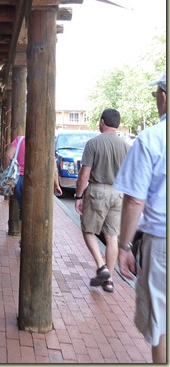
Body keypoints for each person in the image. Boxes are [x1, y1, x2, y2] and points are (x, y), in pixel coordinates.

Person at [113, 74, 166, 363]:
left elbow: (134, 200)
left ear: (164, 97)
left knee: (162, 324)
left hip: (161, 244)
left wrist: (124, 247)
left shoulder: (152, 139)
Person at [74, 108, 130, 293]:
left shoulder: (93, 143)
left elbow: (84, 174)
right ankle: (109, 280)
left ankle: (101, 266)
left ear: (102, 122)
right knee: (112, 236)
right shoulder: (126, 146)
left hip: (98, 191)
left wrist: (79, 196)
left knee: (87, 230)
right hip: (119, 193)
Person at [4, 136, 62, 221]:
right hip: (38, 182)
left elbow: (8, 156)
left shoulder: (19, 140)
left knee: (24, 208)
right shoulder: (45, 144)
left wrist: (9, 173)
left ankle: (22, 222)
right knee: (33, 211)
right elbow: (54, 168)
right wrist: (56, 185)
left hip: (18, 180)